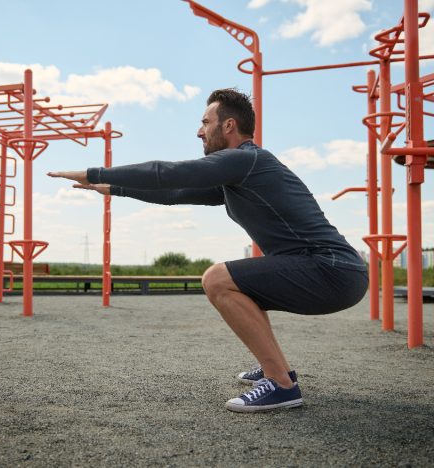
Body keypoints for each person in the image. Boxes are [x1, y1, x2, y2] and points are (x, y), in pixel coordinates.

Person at [47, 88, 368, 413]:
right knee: (241, 285)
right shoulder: (238, 174)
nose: (199, 131)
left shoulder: (245, 160)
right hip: (329, 270)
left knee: (217, 279)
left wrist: (94, 172)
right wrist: (116, 188)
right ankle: (278, 370)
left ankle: (282, 386)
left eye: (205, 122)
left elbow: (166, 172)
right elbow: (175, 191)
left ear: (228, 126)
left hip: (331, 270)